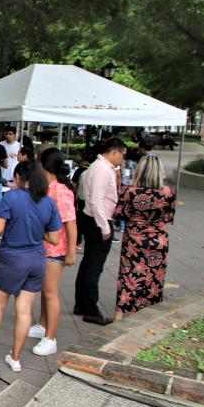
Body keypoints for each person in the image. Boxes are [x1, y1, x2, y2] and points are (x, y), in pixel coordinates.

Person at [0, 161, 62, 372]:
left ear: (19, 177)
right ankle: (15, 357)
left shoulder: (11, 197)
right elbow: (55, 238)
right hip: (37, 259)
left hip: (12, 258)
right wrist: (37, 231)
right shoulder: (48, 203)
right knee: (24, 311)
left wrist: (15, 223)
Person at [27, 150, 78, 356]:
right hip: (43, 247)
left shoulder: (62, 191)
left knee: (50, 293)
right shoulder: (47, 188)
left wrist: (71, 253)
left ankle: (50, 337)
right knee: (45, 290)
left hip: (55, 250)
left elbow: (71, 224)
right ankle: (42, 324)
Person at [113, 154, 176, 320]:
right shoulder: (168, 193)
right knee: (154, 279)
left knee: (128, 276)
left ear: (139, 171)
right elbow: (168, 217)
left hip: (134, 240)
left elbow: (119, 214)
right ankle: (149, 317)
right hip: (158, 241)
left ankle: (119, 315)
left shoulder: (129, 192)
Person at [74, 138, 125, 326]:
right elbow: (96, 201)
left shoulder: (99, 167)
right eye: (122, 154)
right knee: (93, 267)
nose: (122, 159)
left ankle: (82, 303)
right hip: (97, 220)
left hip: (94, 219)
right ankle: (90, 309)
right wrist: (104, 227)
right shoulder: (101, 169)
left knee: (89, 264)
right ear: (114, 151)